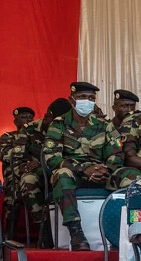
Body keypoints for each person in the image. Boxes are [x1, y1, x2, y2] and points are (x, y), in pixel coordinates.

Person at [43, 81, 139, 251]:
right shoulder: (58, 125)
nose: (87, 101)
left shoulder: (104, 124)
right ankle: (76, 233)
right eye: (82, 97)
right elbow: (52, 158)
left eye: (91, 98)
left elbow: (116, 154)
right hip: (74, 174)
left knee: (134, 177)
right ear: (71, 100)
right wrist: (83, 169)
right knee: (62, 174)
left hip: (102, 173)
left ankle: (134, 229)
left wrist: (105, 169)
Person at [8, 98, 72, 247]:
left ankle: (71, 231)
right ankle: (44, 229)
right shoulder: (29, 130)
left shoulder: (68, 128)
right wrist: (26, 167)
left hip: (58, 171)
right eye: (57, 120)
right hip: (35, 176)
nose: (59, 124)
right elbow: (17, 160)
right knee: (28, 180)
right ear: (48, 115)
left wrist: (42, 163)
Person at [0, 106, 35, 239]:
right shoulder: (7, 137)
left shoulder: (37, 136)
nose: (28, 120)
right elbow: (5, 156)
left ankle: (44, 231)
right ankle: (10, 232)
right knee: (14, 188)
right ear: (15, 121)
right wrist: (22, 139)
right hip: (13, 176)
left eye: (30, 118)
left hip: (32, 173)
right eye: (23, 117)